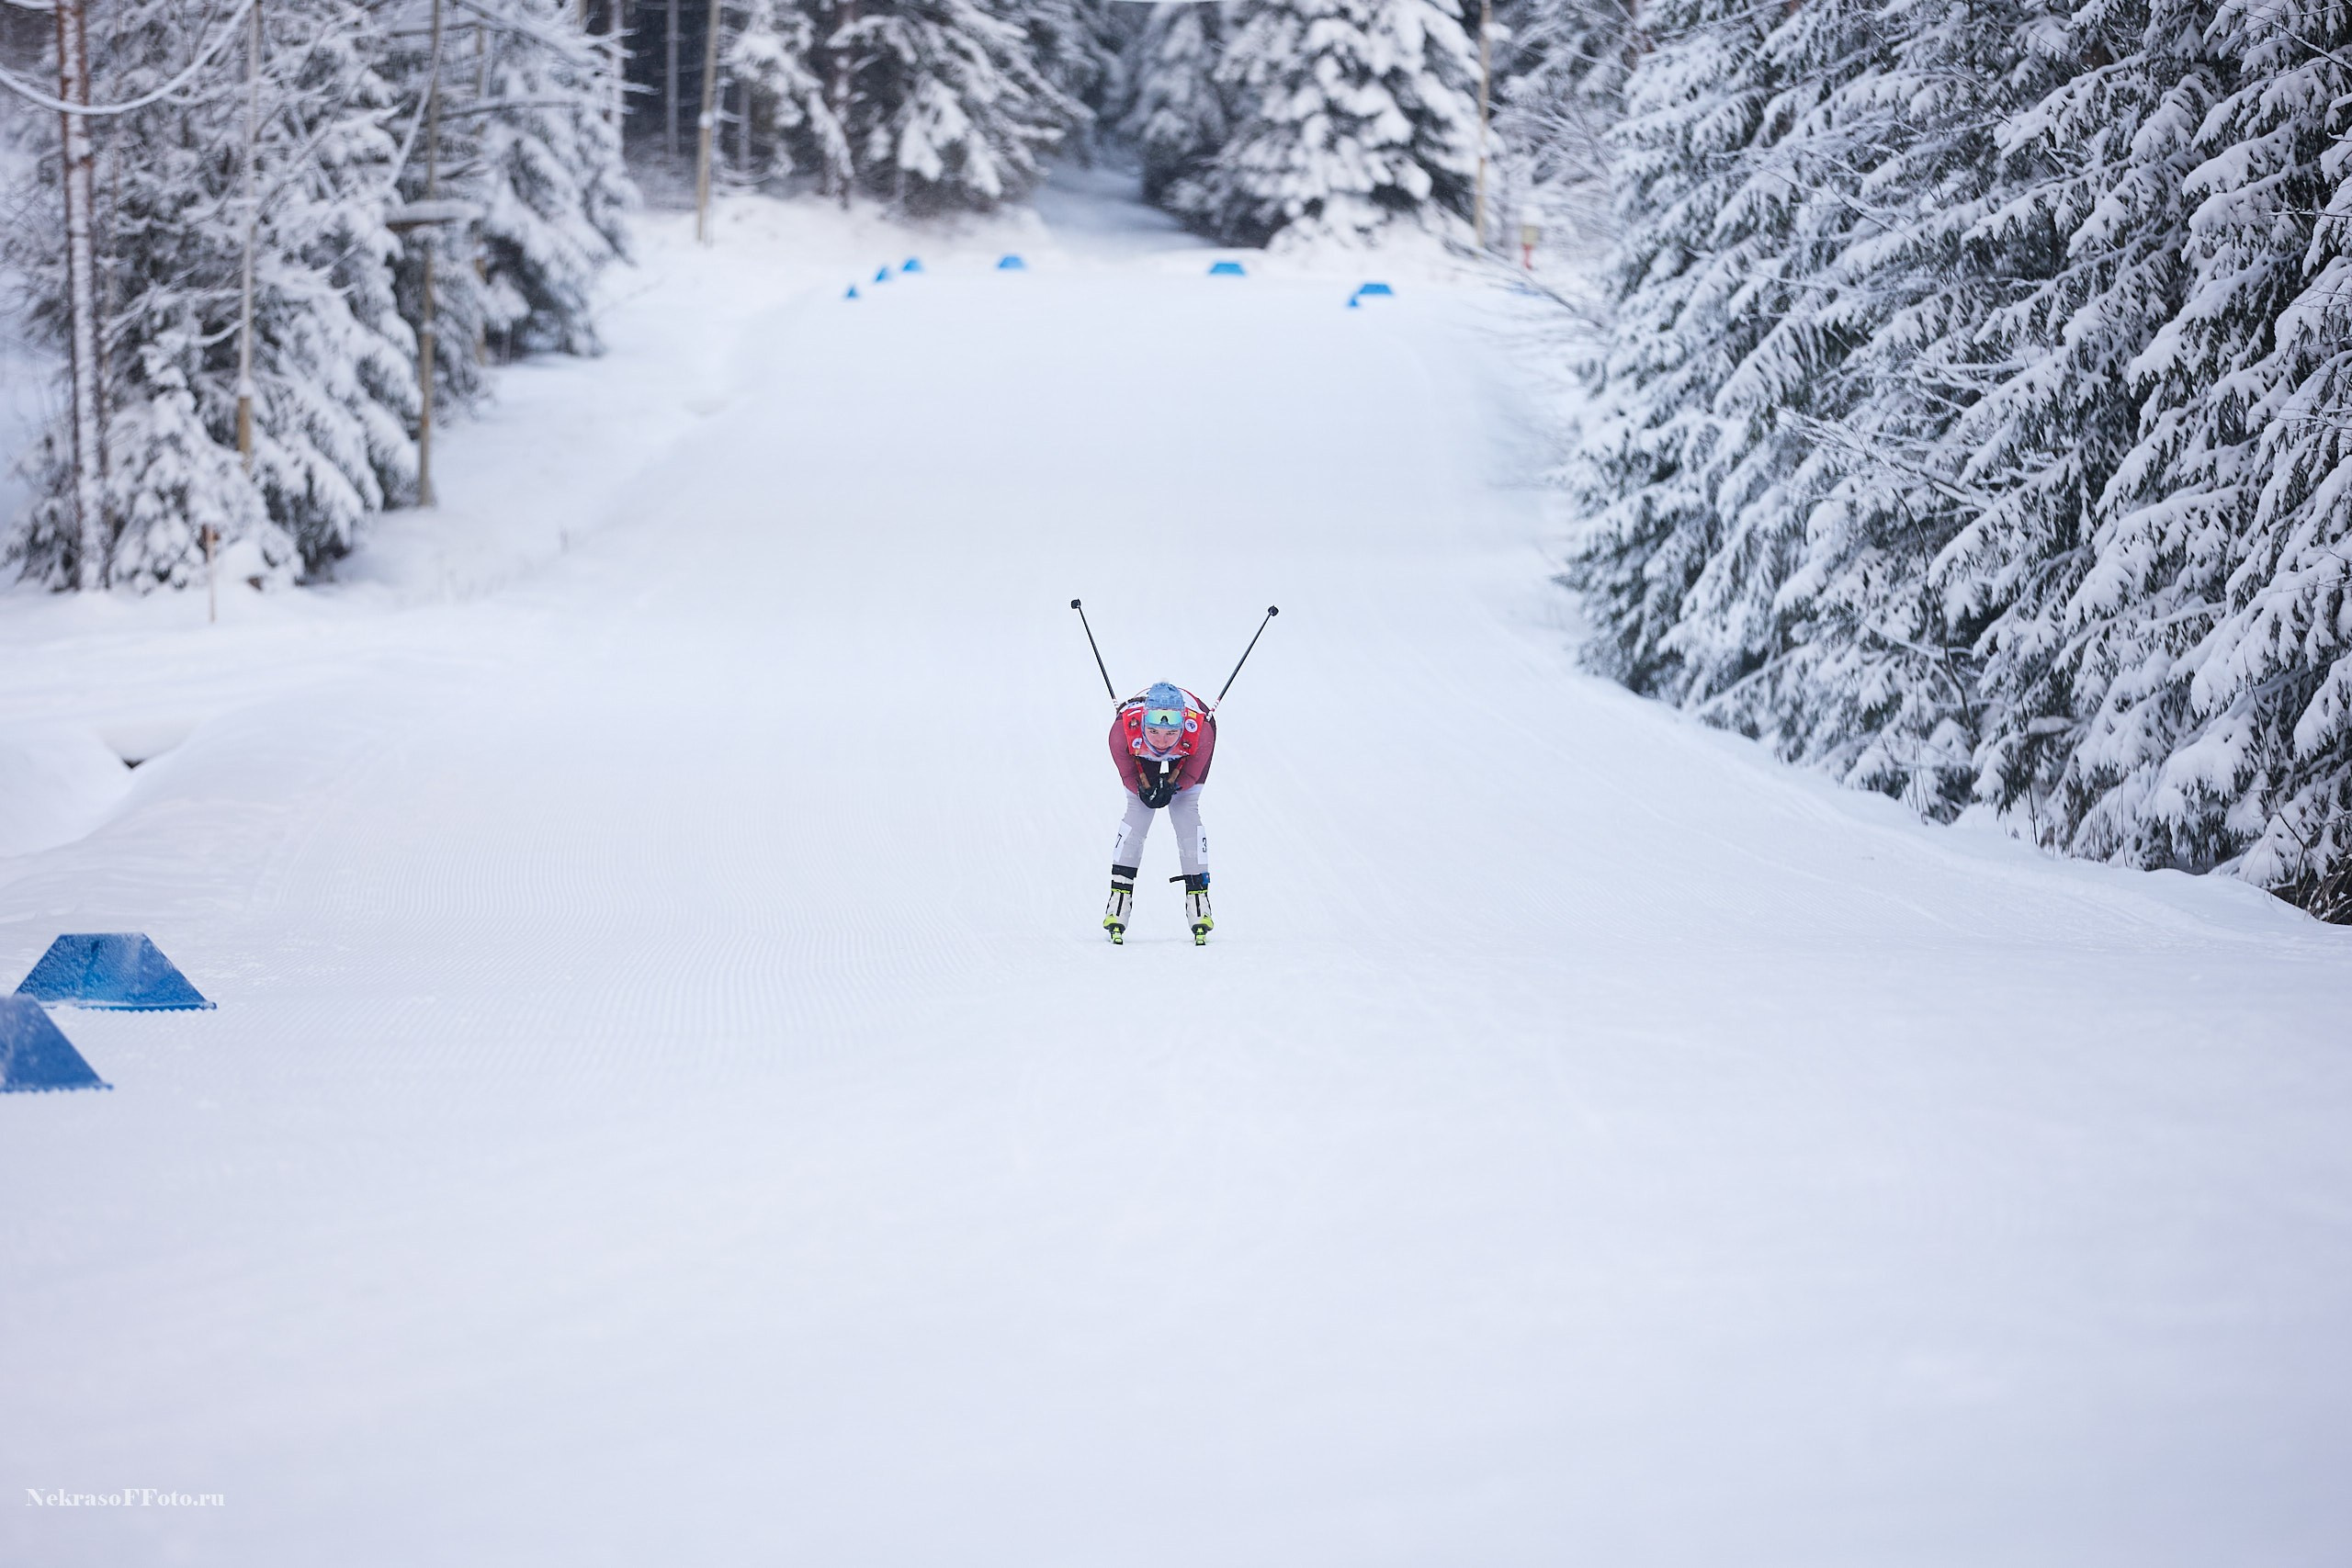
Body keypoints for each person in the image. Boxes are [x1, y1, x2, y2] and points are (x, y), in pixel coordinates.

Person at [1103, 681, 1216, 945]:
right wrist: (1143, 789)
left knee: (1185, 808)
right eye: (1154, 731)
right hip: (1140, 750)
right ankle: (1118, 899)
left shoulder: (1202, 731)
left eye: (1169, 733)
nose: (1162, 741)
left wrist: (1175, 785)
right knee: (1139, 808)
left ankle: (1199, 900)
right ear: (1143, 724)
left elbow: (1189, 775)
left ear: (1182, 725)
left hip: (1189, 749)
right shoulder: (1122, 732)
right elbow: (1130, 775)